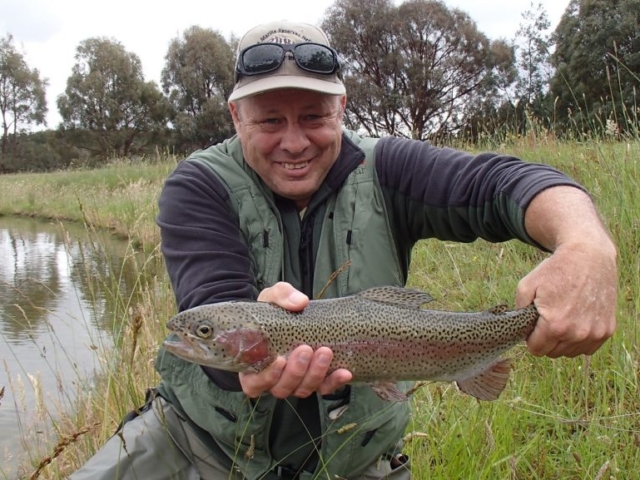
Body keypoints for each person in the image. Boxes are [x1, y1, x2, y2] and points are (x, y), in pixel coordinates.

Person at [71, 19, 617, 480]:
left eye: (313, 116)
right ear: (236, 118)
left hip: (355, 457)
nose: (293, 141)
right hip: (204, 443)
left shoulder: (388, 167)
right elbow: (213, 296)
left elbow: (498, 183)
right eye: (269, 120)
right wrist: (241, 358)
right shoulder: (198, 186)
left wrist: (586, 244)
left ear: (341, 108)